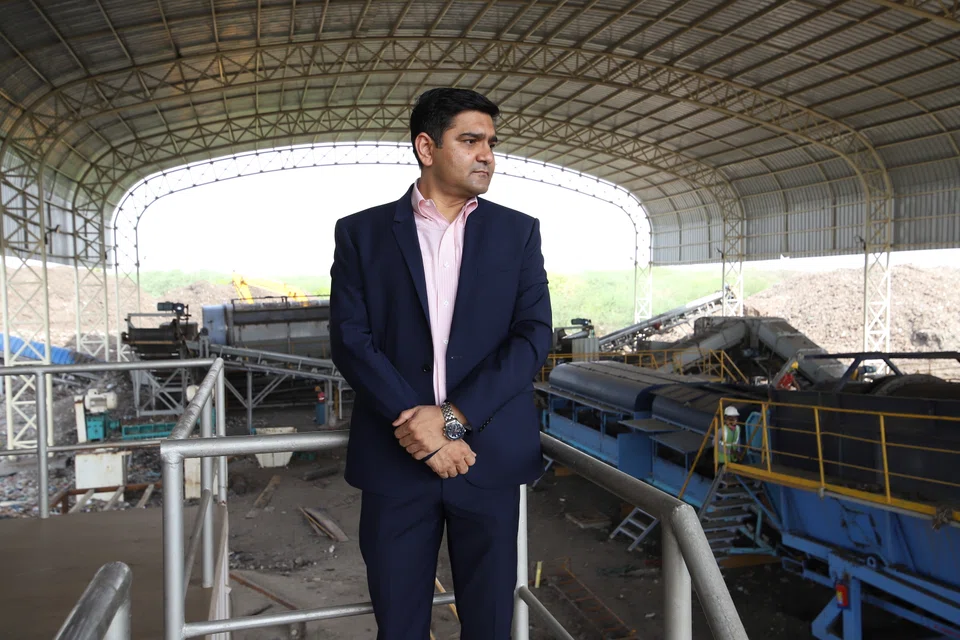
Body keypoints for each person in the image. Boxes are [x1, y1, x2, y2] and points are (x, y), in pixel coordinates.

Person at [329, 87, 553, 640]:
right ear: (426, 147)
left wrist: (451, 419)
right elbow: (351, 340)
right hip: (395, 463)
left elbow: (532, 337)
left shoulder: (517, 232)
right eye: (471, 141)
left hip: (488, 458)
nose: (487, 156)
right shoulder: (361, 233)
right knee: (400, 626)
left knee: (491, 626)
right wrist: (421, 427)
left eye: (492, 144)